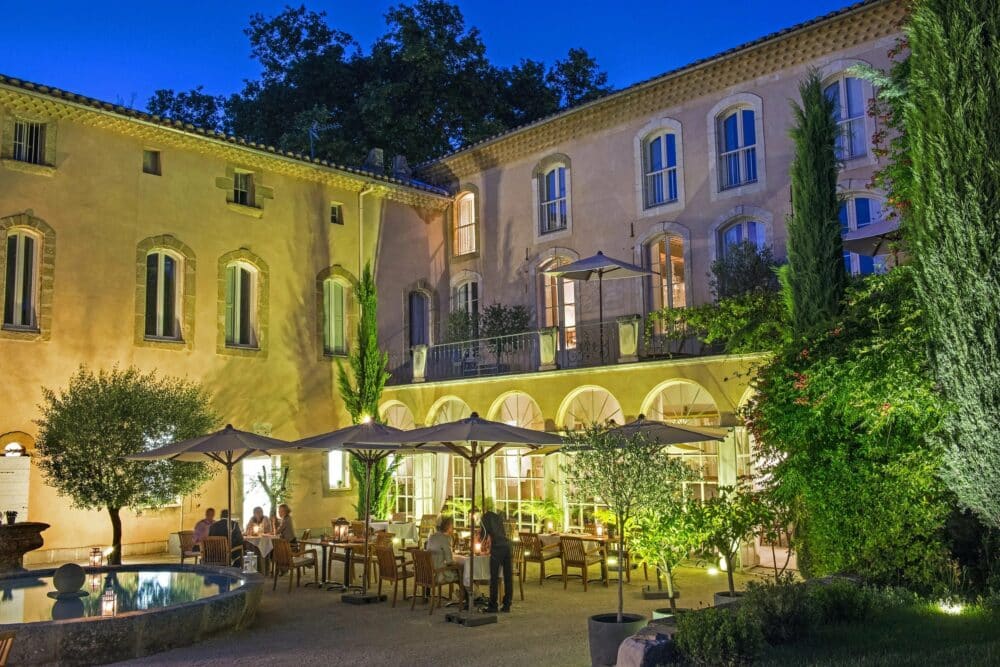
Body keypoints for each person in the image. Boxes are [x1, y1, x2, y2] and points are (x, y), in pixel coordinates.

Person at [425, 515, 466, 602]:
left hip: (428, 572)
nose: (453, 528)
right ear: (448, 527)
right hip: (439, 574)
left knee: (459, 569)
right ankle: (466, 597)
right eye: (452, 526)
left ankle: (464, 595)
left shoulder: (432, 537)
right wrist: (458, 563)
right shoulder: (445, 538)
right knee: (462, 572)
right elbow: (449, 561)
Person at [479, 510, 512, 613]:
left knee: (494, 578)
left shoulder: (484, 519)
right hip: (507, 546)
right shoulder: (497, 518)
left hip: (497, 548)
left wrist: (480, 540)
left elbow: (483, 536)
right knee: (508, 577)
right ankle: (507, 604)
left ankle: (493, 605)